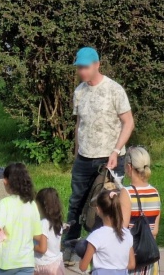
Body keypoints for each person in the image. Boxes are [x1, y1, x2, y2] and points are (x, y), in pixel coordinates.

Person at [64, 46, 135, 265]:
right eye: (79, 68)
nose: (82, 72)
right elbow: (79, 124)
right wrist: (77, 151)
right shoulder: (80, 91)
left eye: (85, 67)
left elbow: (128, 122)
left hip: (110, 158)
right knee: (76, 201)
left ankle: (102, 249)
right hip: (84, 157)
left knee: (106, 202)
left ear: (97, 65)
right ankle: (70, 245)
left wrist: (115, 151)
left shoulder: (114, 90)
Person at [0, 163, 42, 275]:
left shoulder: (5, 203)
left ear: (5, 181)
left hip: (4, 263)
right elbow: (38, 236)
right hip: (26, 263)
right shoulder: (32, 204)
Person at [120, 146, 161, 275]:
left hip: (133, 256)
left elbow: (123, 227)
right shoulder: (155, 192)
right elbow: (155, 230)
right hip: (149, 257)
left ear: (129, 167)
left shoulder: (127, 193)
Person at [79, 190, 135, 274]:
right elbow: (131, 265)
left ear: (98, 210)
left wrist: (81, 253)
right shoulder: (126, 233)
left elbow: (83, 267)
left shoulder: (96, 236)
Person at [34, 188, 66, 275]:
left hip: (44, 266)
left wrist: (29, 246)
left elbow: (42, 249)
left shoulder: (43, 224)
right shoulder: (58, 222)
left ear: (41, 205)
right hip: (57, 263)